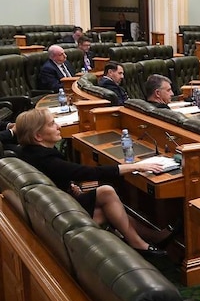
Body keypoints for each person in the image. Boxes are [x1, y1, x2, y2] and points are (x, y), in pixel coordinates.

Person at [15, 108, 165, 256]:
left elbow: (58, 176)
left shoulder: (28, 153)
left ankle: (150, 237)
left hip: (57, 206)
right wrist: (134, 166)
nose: (58, 126)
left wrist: (67, 186)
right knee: (107, 194)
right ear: (38, 136)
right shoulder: (46, 159)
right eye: (52, 124)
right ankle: (138, 243)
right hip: (59, 215)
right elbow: (89, 172)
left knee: (110, 203)